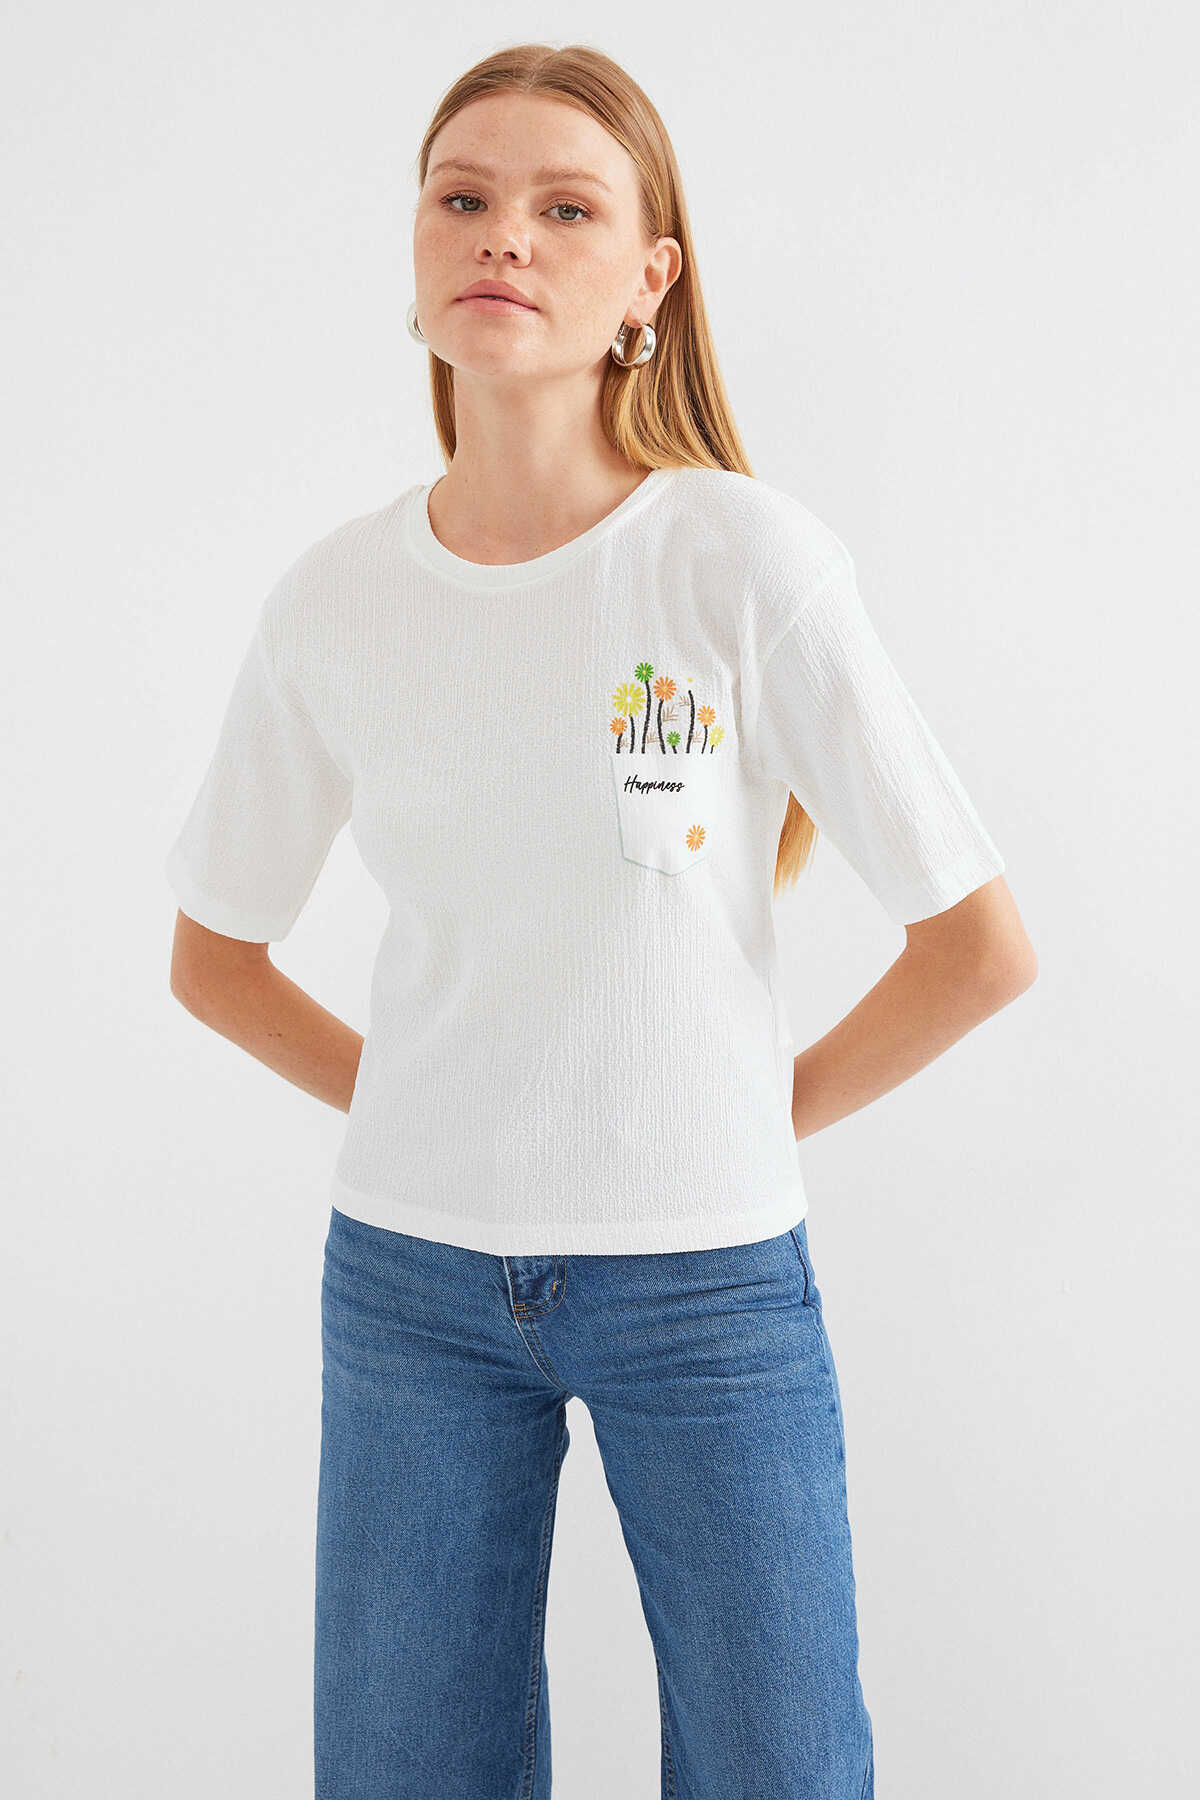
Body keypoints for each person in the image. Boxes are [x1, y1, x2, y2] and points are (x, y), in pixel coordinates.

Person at [164, 42, 1036, 1800]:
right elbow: (214, 956)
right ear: (418, 248)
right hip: (409, 1287)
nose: (506, 235)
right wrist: (431, 1098)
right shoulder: (336, 600)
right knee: (403, 1770)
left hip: (707, 1283)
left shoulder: (742, 562)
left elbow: (977, 947)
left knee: (783, 1767)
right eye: (465, 198)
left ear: (651, 280)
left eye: (568, 209)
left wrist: (744, 1117)